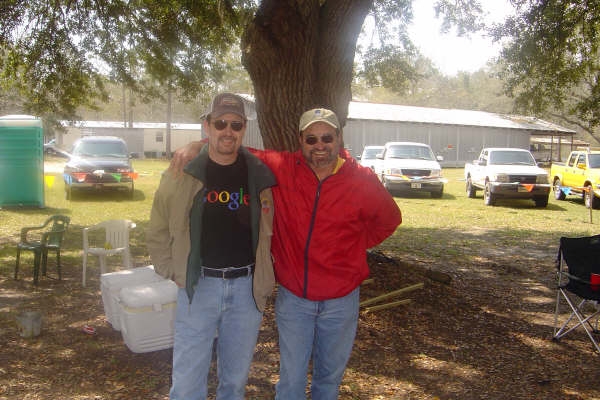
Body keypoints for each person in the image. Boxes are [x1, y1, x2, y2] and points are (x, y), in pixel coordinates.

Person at [171, 106, 402, 400]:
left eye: (327, 138)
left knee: (328, 379)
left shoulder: (362, 179)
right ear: (300, 141)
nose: (320, 146)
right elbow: (241, 148)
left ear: (339, 138)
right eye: (312, 139)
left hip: (341, 299)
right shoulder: (281, 167)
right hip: (295, 299)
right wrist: (197, 144)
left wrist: (354, 246)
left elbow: (389, 220)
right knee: (291, 380)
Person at [146, 92, 277, 400]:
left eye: (235, 124)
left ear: (244, 128)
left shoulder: (258, 172)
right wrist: (171, 269)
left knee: (234, 382)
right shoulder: (183, 170)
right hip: (198, 286)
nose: (227, 131)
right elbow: (158, 226)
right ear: (207, 126)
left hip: (246, 290)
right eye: (220, 123)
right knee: (188, 383)